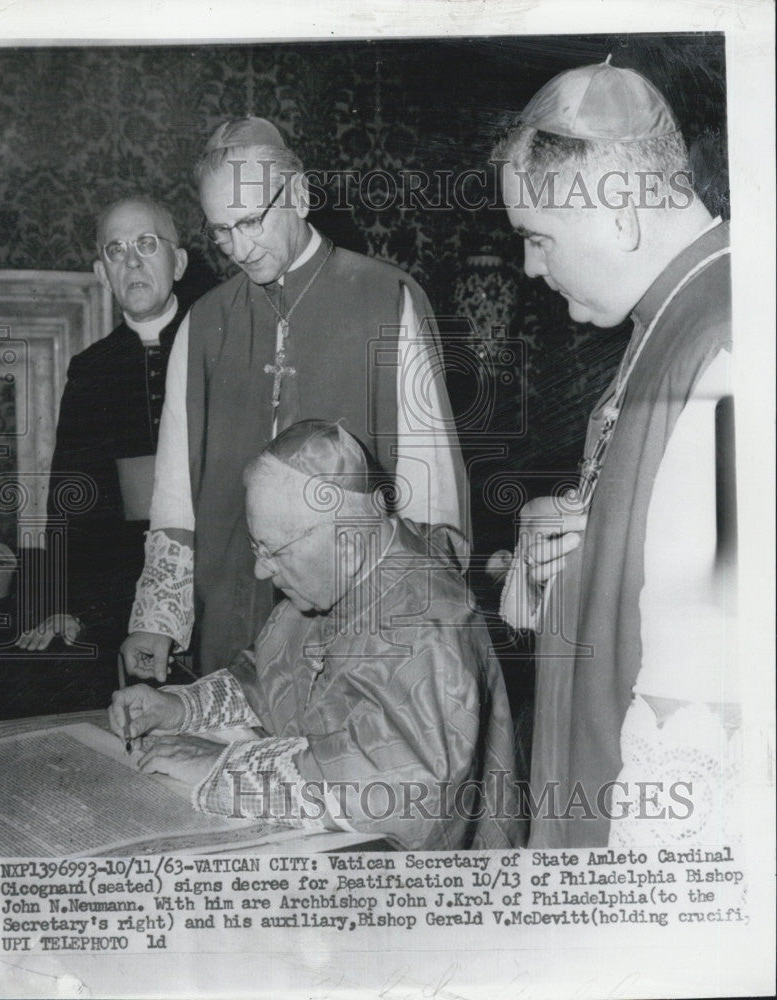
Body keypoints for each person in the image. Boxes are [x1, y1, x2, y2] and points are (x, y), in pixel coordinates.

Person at [120, 117, 469, 682]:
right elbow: (175, 492)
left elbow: (430, 486)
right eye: (220, 231)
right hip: (231, 607)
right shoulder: (205, 323)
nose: (238, 247)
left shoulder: (387, 299)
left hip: (358, 624)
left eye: (251, 221)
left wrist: (420, 621)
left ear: (301, 195)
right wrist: (158, 618)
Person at [493, 58, 736, 847]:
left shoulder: (728, 339)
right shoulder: (667, 316)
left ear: (620, 211)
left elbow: (699, 685)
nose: (530, 267)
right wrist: (571, 546)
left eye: (536, 238)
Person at [110, 420, 522, 851]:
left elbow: (407, 792)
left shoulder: (428, 621)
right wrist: (181, 707)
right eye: (256, 547)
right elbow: (271, 675)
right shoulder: (336, 574)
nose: (261, 570)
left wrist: (222, 768)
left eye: (273, 551)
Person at [17, 197, 188, 690]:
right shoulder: (91, 369)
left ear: (176, 262)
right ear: (101, 272)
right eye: (116, 250)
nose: (131, 260)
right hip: (124, 589)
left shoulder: (218, 342)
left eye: (147, 244)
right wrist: (66, 605)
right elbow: (71, 500)